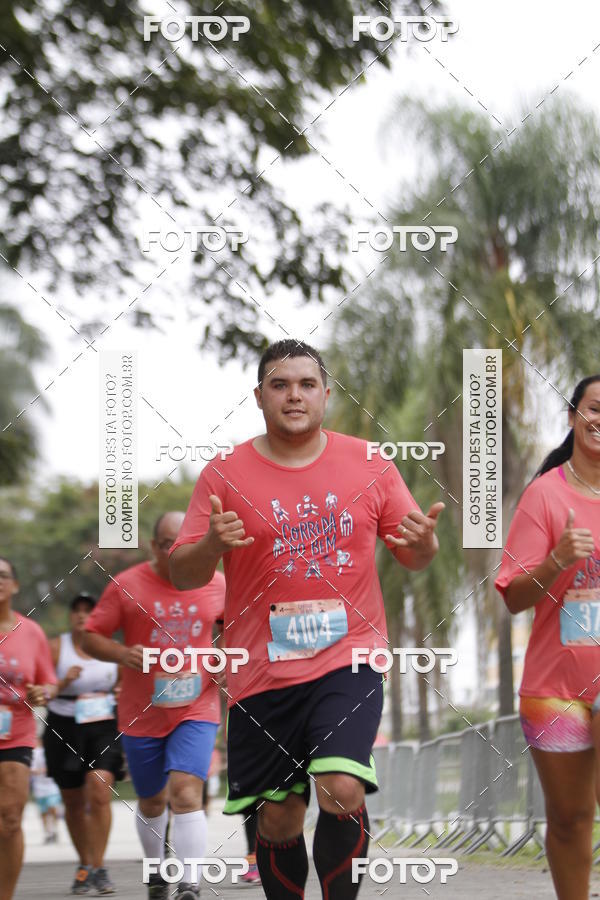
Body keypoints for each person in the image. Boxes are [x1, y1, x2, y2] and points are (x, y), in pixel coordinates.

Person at [169, 339, 443, 899]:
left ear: (325, 394)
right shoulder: (223, 474)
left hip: (349, 658)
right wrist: (208, 547)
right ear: (259, 396)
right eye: (280, 384)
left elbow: (412, 556)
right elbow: (183, 575)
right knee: (278, 817)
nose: (294, 394)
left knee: (342, 787)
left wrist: (426, 545)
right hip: (260, 673)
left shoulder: (370, 463)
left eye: (306, 384)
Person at [82, 513, 226, 900]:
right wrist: (122, 653)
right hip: (141, 711)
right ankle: (158, 873)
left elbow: (239, 625)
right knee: (151, 800)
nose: (175, 550)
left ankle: (190, 884)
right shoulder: (126, 585)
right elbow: (90, 636)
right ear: (153, 546)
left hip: (197, 706)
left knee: (185, 793)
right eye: (166, 543)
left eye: (182, 542)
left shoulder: (217, 584)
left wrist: (226, 658)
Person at [496, 374, 600, 900]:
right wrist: (557, 560)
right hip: (554, 689)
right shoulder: (545, 495)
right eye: (594, 408)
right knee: (569, 817)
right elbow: (513, 596)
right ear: (573, 416)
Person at [44, 592, 123, 895]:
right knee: (73, 802)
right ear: (70, 616)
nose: (82, 616)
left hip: (103, 725)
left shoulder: (109, 647)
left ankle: (100, 867)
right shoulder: (56, 648)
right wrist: (63, 683)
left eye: (88, 611)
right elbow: (41, 689)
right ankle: (84, 863)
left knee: (100, 788)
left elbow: (125, 683)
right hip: (64, 726)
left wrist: (120, 692)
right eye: (76, 610)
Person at [0, 556, 57, 900]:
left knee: (9, 818)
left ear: (15, 585)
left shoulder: (30, 632)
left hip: (15, 734)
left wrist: (41, 692)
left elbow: (48, 685)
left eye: (3, 576)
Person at [30, 738, 62, 844]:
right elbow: (31, 769)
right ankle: (48, 832)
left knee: (53, 808)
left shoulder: (50, 751)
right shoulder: (34, 753)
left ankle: (54, 829)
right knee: (43, 812)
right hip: (39, 787)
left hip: (52, 786)